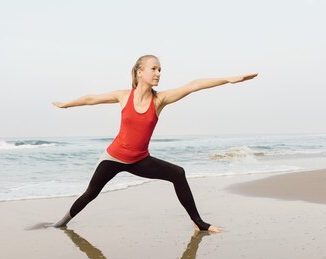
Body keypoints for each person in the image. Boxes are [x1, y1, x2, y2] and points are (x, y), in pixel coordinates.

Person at [52, 55, 258, 232]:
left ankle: (199, 223)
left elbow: (193, 85)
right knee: (91, 193)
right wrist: (66, 105)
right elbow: (90, 99)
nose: (158, 73)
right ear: (140, 72)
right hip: (113, 157)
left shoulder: (160, 100)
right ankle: (61, 223)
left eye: (160, 69)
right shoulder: (124, 96)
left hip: (140, 159)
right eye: (154, 68)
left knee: (178, 173)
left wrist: (228, 79)